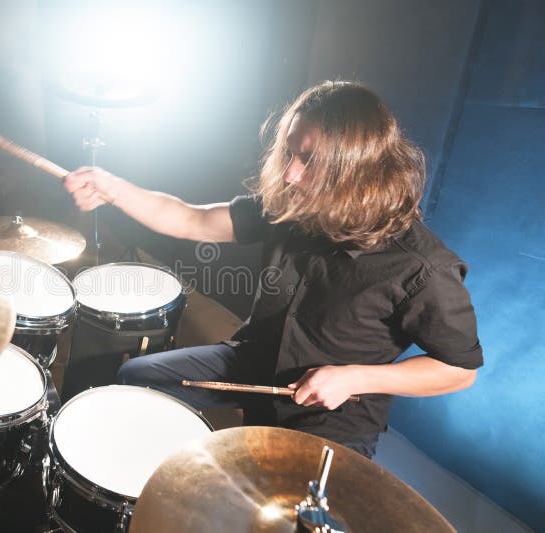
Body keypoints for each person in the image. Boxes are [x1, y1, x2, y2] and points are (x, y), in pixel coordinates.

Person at [62, 80, 482, 457]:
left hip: (331, 416)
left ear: (355, 169)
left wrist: (352, 377)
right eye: (290, 153)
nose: (290, 174)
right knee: (135, 377)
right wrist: (113, 189)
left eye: (308, 159)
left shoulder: (421, 266)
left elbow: (459, 371)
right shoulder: (296, 208)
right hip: (253, 361)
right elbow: (190, 219)